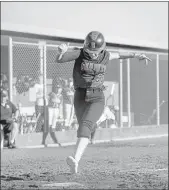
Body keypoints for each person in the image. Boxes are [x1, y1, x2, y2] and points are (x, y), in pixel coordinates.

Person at [56, 31, 151, 174]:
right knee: (84, 127)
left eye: (96, 51)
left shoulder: (105, 55)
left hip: (97, 96)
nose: (93, 54)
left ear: (102, 48)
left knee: (85, 128)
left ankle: (75, 160)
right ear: (85, 47)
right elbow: (60, 59)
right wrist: (61, 52)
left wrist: (137, 55)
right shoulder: (79, 53)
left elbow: (120, 55)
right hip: (80, 96)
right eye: (90, 51)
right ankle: (104, 115)